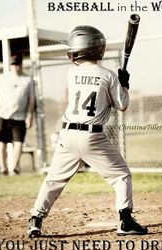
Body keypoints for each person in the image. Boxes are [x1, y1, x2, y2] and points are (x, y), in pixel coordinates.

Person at [28, 25, 147, 237]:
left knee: (54, 179)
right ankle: (125, 220)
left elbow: (69, 98)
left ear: (81, 49)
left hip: (67, 135)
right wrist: (124, 83)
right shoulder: (108, 75)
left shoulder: (72, 73)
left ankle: (36, 219)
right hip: (93, 136)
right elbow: (123, 105)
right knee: (121, 176)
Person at [0, 53, 35, 175]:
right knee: (1, 142)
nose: (16, 67)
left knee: (18, 142)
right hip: (3, 115)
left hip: (19, 117)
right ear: (10, 65)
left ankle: (14, 168)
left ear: (21, 64)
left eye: (18, 64)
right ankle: (3, 169)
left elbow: (31, 100)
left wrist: (29, 116)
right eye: (13, 64)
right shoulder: (3, 77)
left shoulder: (28, 80)